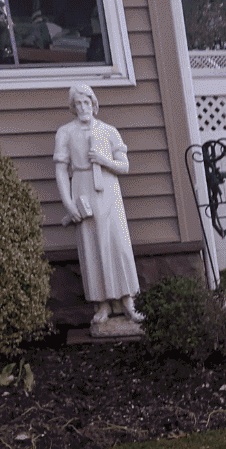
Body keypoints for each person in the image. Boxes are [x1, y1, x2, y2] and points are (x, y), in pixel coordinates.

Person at [54, 84, 141, 324]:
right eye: (78, 104)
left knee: (117, 244)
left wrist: (104, 160)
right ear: (73, 107)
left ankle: (127, 301)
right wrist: (69, 204)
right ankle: (101, 305)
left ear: (94, 104)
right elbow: (61, 170)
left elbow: (124, 165)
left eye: (87, 103)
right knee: (92, 247)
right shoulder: (65, 133)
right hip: (82, 189)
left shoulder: (109, 131)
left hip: (109, 189)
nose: (83, 108)